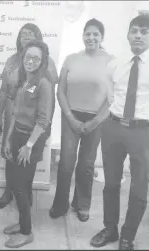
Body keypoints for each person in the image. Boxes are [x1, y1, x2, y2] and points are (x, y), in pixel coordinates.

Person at [90, 15, 149, 250]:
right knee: (111, 184)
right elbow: (110, 92)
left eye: (144, 32)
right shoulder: (115, 65)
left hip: (143, 132)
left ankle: (127, 236)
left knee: (138, 189)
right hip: (113, 128)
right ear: (127, 34)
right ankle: (110, 229)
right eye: (134, 30)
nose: (138, 35)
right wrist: (115, 116)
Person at [49, 19, 114, 222]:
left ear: (102, 37)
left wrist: (95, 122)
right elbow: (60, 90)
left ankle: (82, 204)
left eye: (95, 34)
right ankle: (60, 204)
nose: (91, 37)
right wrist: (70, 117)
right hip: (70, 115)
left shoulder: (112, 62)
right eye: (88, 34)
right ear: (83, 36)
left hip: (97, 119)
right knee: (66, 162)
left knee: (86, 164)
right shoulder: (71, 59)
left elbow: (114, 98)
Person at [0, 23, 59, 210]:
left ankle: (25, 194)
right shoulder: (12, 60)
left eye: (31, 34)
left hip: (33, 120)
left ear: (38, 38)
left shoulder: (46, 61)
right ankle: (8, 192)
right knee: (9, 155)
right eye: (23, 34)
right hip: (12, 115)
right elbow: (4, 90)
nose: (26, 37)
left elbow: (50, 87)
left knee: (26, 161)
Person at [2, 40, 54, 248]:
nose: (30, 61)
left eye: (36, 58)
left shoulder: (44, 84)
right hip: (17, 136)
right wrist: (8, 139)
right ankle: (22, 222)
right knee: (17, 185)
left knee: (21, 187)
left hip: (31, 141)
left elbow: (43, 120)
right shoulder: (24, 80)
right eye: (27, 57)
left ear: (42, 62)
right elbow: (15, 113)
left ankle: (26, 232)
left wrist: (29, 145)